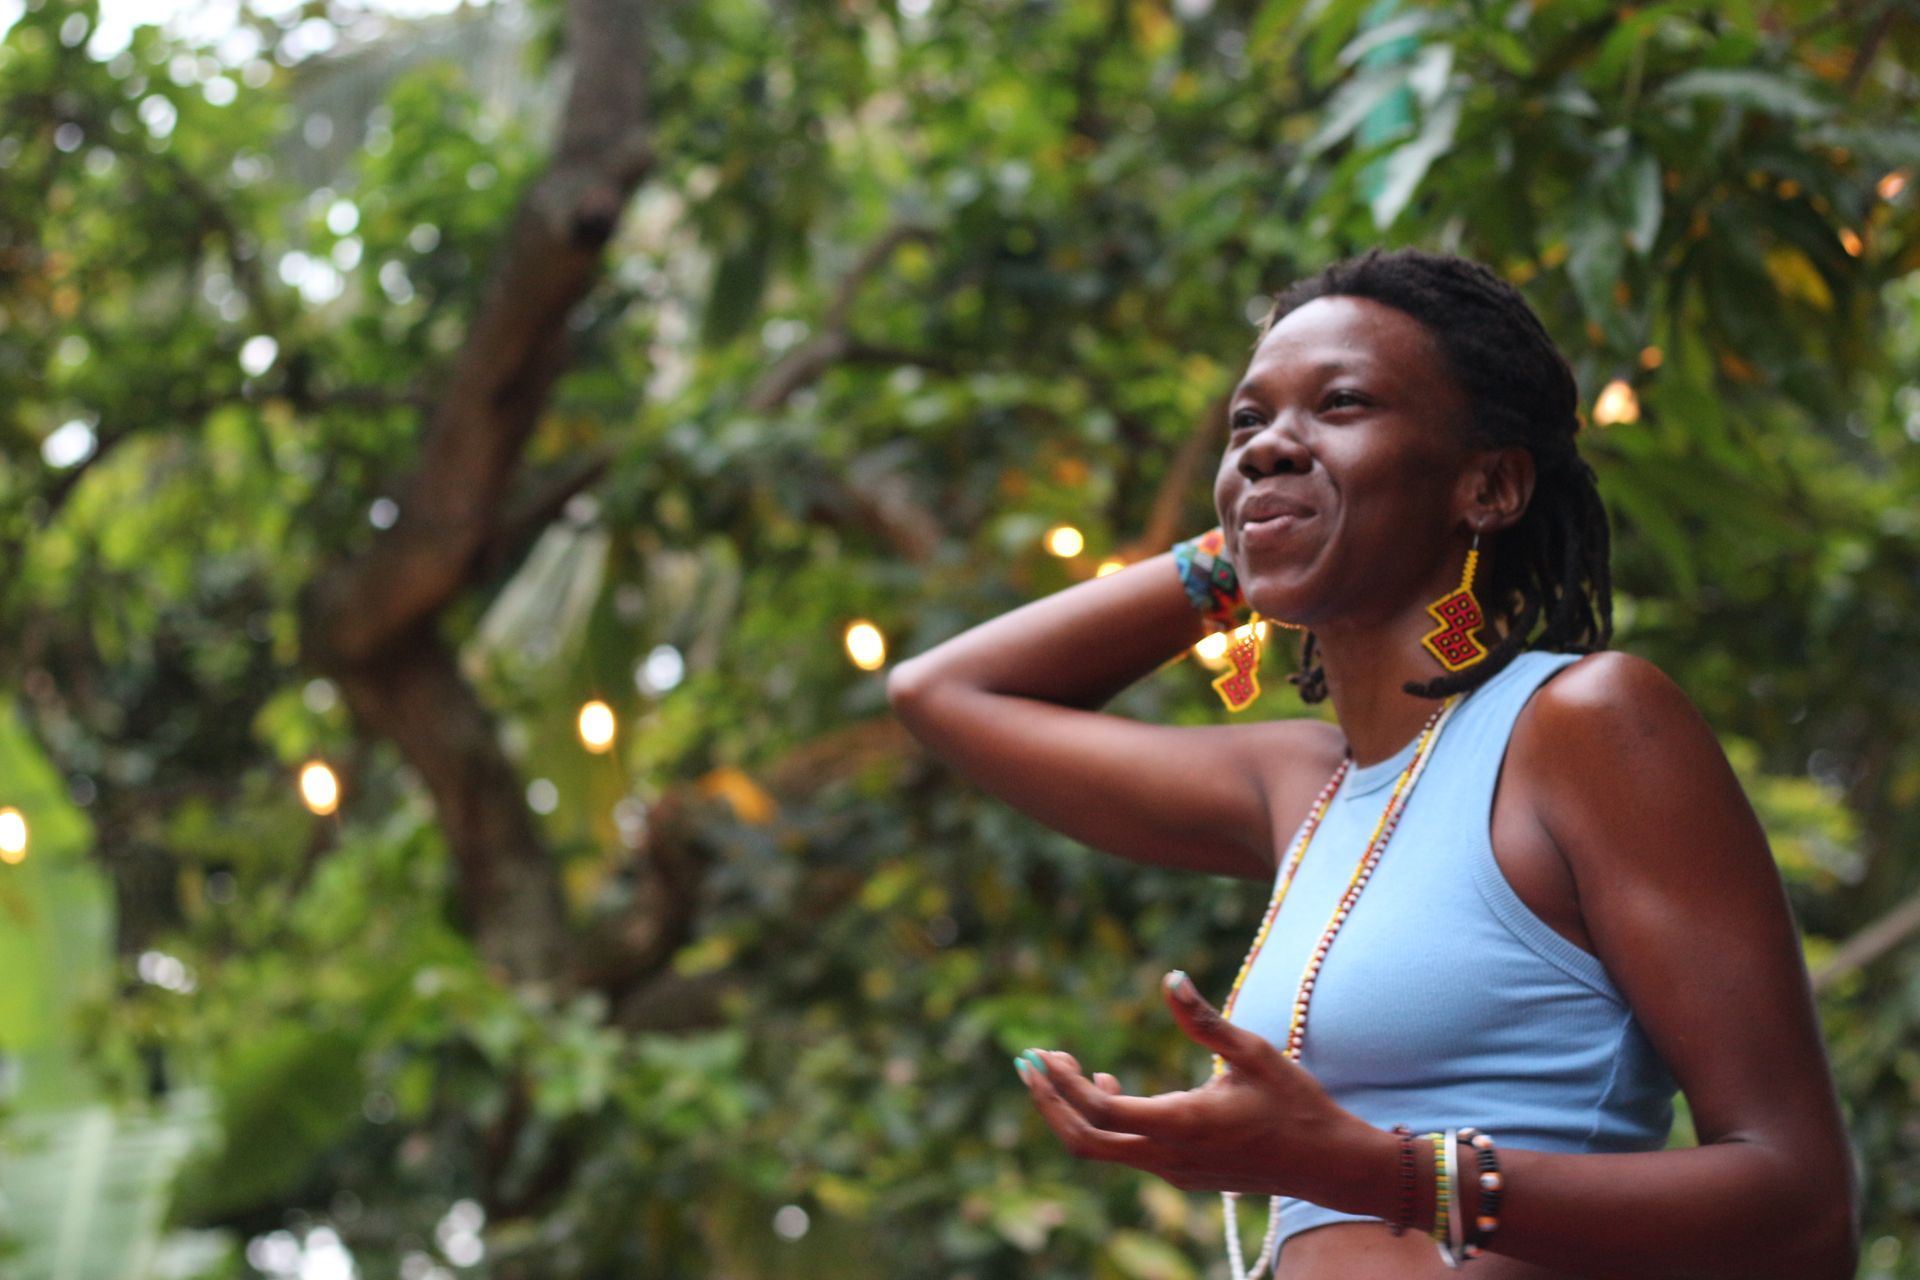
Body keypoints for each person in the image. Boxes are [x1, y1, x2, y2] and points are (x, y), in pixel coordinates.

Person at [884, 248, 1859, 1279]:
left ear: (1487, 484)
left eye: (1341, 403)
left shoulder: (1583, 724)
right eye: (1246, 425)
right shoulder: (1299, 788)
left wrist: (1373, 1171)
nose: (1267, 447)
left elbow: (1799, 1210)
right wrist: (1254, 536)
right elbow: (942, 694)